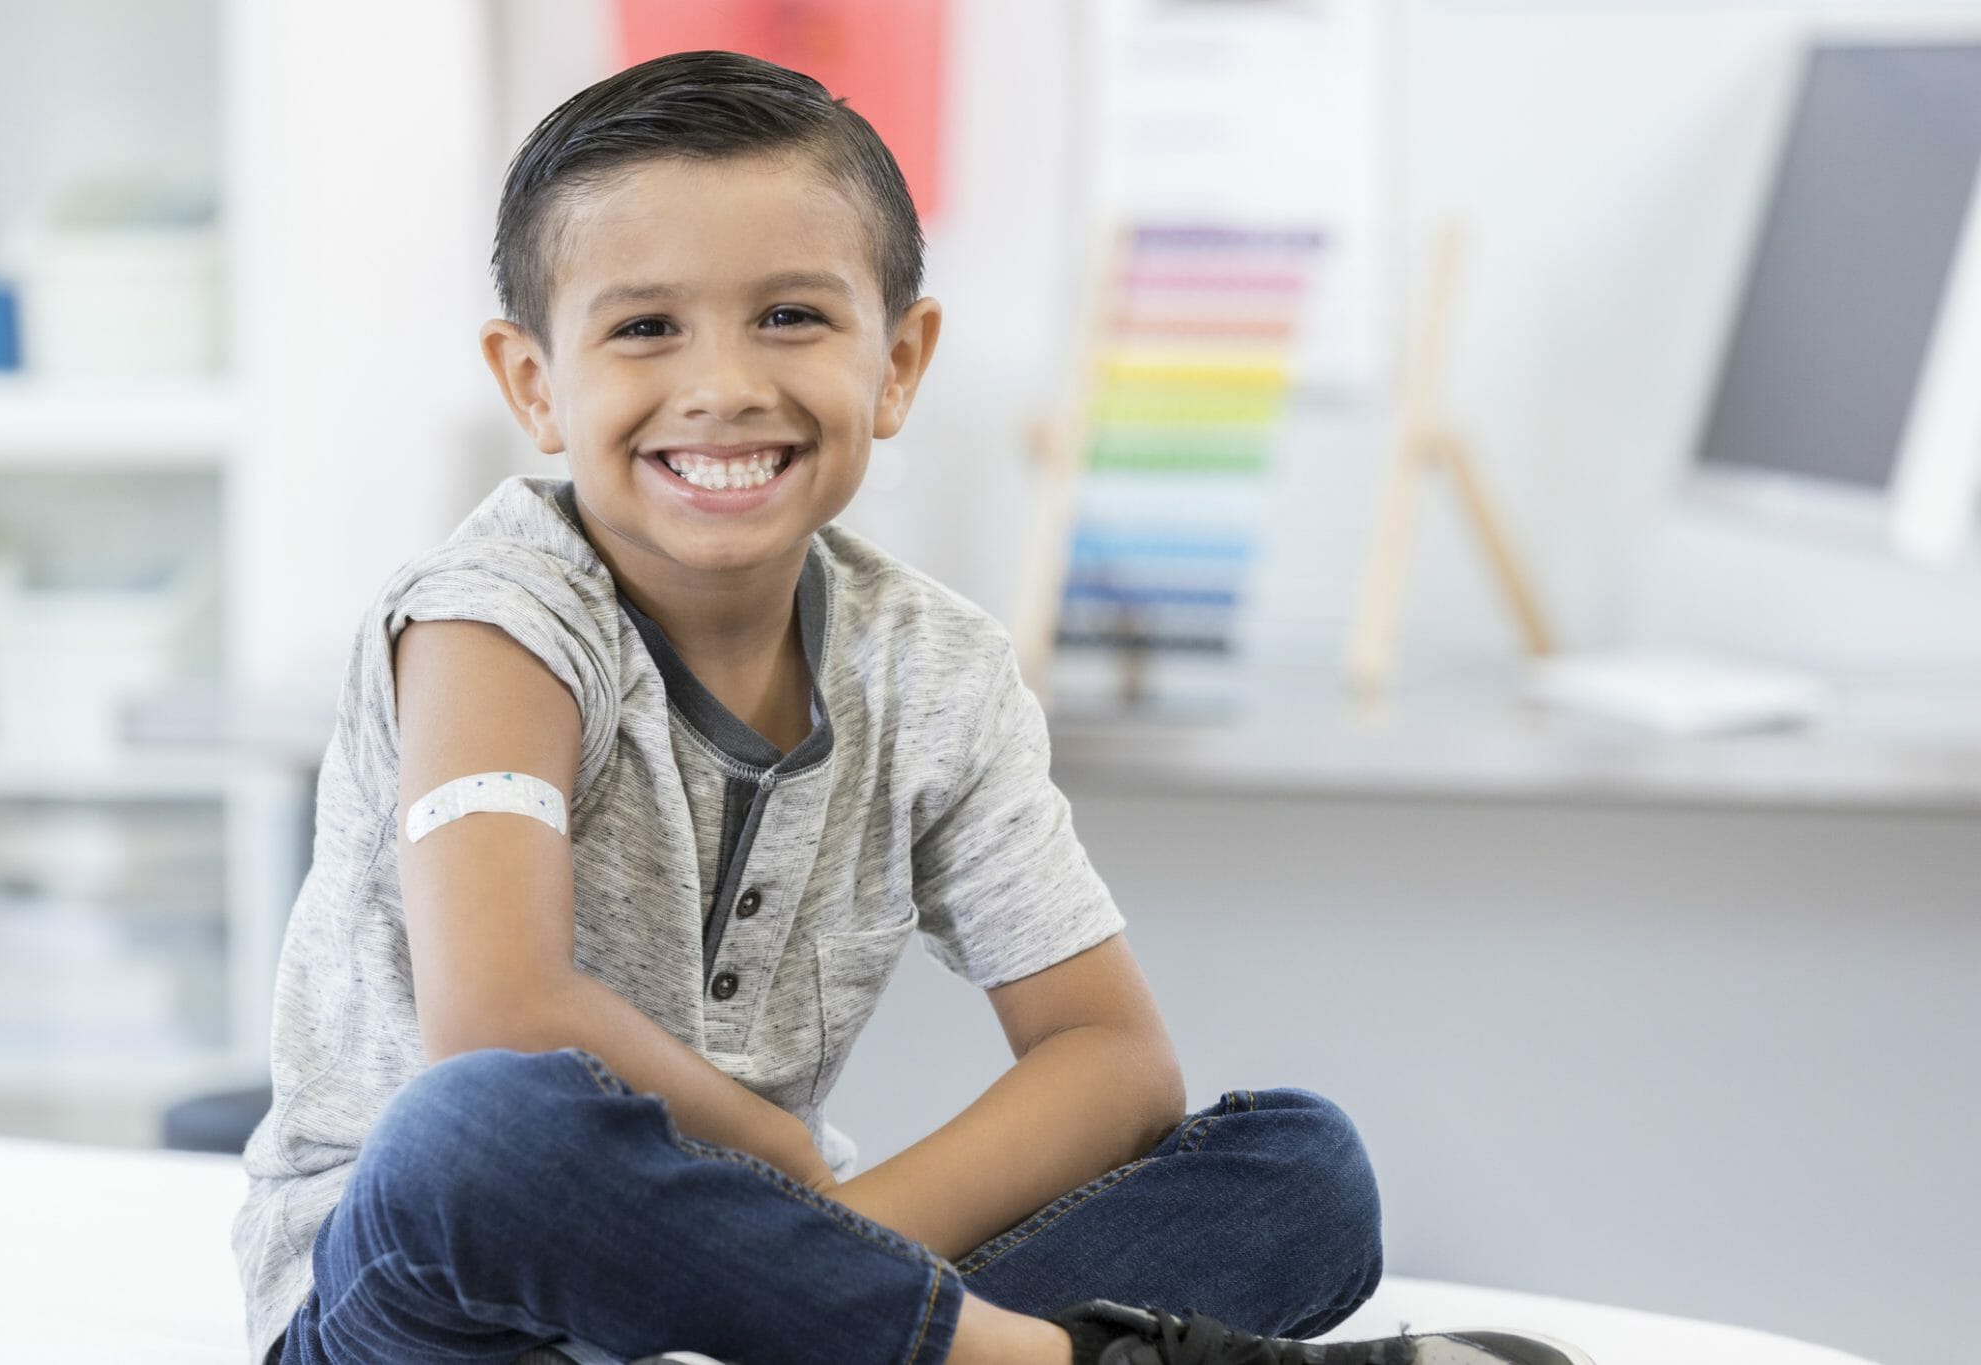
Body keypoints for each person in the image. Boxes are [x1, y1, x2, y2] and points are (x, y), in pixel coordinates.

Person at [232, 48, 1593, 1365]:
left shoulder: (934, 667)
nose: (721, 383)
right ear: (535, 382)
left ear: (898, 361)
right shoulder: (495, 620)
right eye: (645, 327)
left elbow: (1111, 1058)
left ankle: (850, 1341)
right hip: (439, 1307)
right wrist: (784, 1188)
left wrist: (805, 1272)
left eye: (790, 316)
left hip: (763, 1289)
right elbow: (505, 1014)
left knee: (1302, 1173)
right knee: (480, 1129)